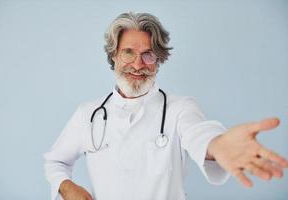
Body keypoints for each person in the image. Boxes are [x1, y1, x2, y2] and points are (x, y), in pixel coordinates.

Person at [44, 12, 288, 200]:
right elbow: (55, 162)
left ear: (159, 60)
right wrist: (66, 187)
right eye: (128, 53)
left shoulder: (179, 108)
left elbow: (198, 133)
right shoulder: (88, 114)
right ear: (114, 56)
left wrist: (217, 146)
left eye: (148, 54)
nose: (138, 64)